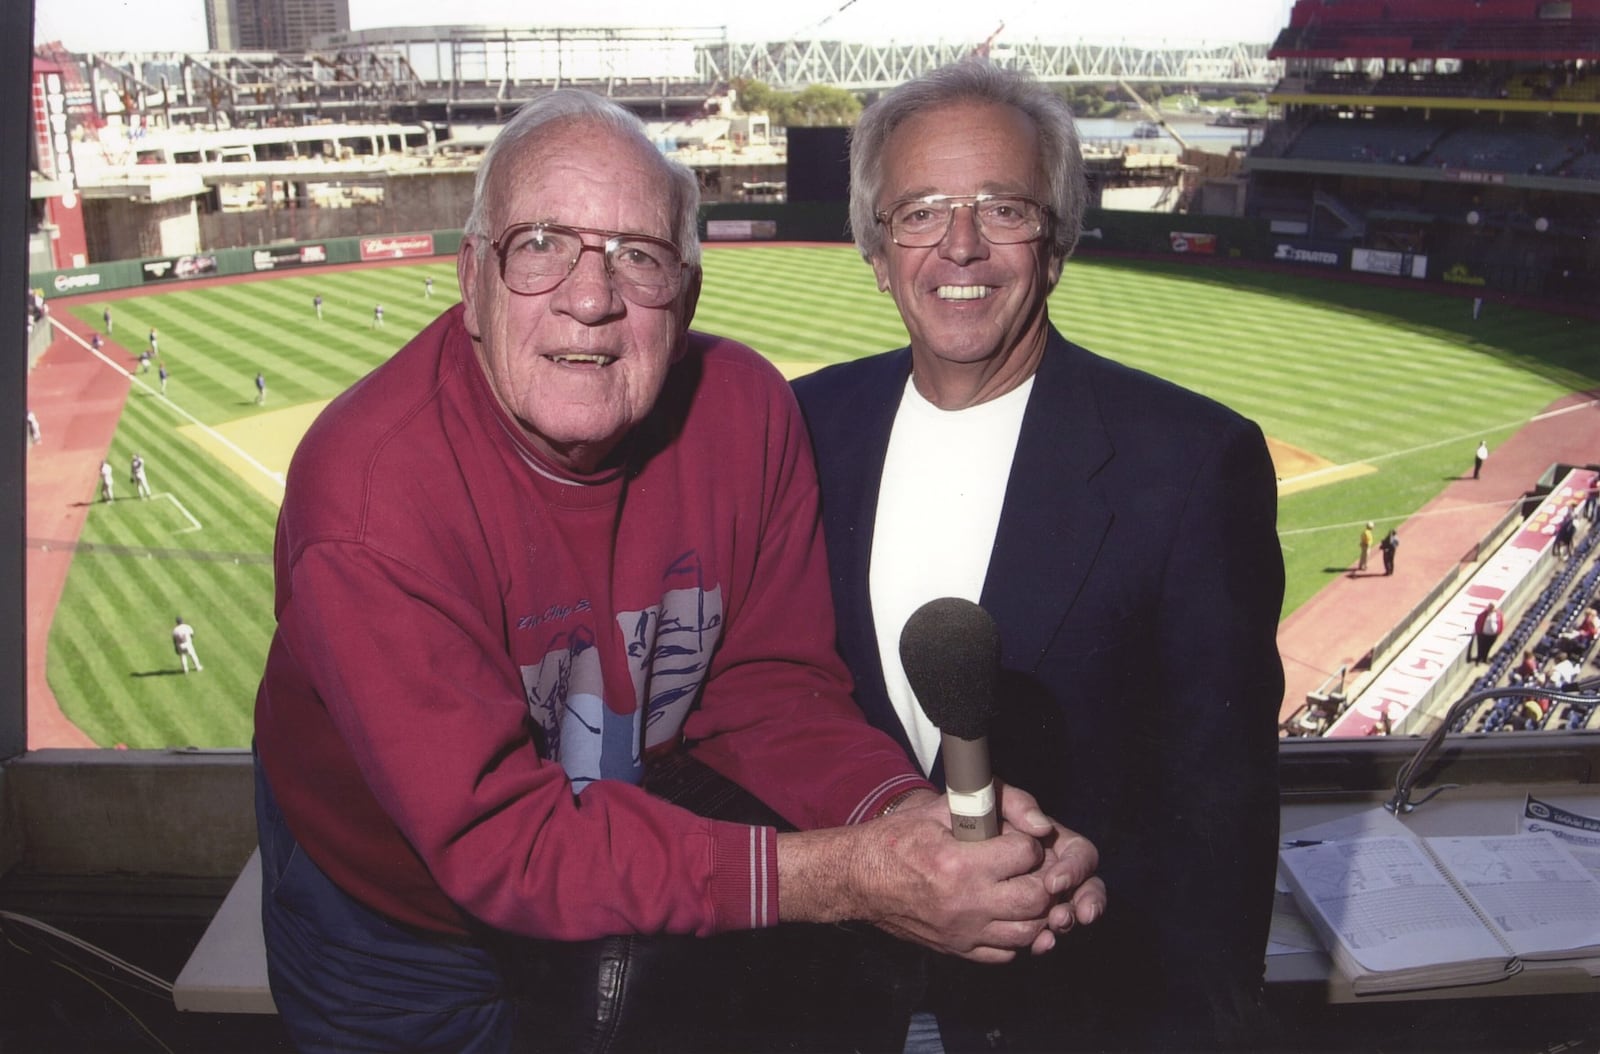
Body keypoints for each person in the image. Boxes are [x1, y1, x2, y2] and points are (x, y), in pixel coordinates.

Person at [253, 89, 1103, 1053]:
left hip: (612, 833)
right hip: (395, 911)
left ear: (688, 295)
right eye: (540, 245)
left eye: (639, 257)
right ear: (471, 281)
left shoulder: (744, 412)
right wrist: (856, 874)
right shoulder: (372, 499)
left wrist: (916, 823)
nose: (591, 297)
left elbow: (770, 694)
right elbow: (505, 846)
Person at [792, 63, 1283, 1051]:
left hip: (1067, 1016)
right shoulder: (801, 426)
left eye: (1002, 207)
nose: (959, 244)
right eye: (920, 209)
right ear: (877, 252)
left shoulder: (1192, 461)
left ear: (1053, 242)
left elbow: (1218, 831)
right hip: (826, 1010)